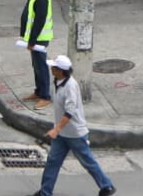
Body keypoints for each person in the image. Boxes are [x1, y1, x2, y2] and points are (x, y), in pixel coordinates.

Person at [31, 55, 117, 196]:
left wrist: (56, 129)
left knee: (87, 162)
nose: (51, 69)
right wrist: (58, 130)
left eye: (54, 67)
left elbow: (69, 112)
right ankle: (45, 192)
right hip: (61, 134)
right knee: (52, 161)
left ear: (60, 71)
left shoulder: (71, 86)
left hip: (74, 134)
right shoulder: (57, 82)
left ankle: (107, 186)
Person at [18, 0, 54, 111]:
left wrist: (32, 41)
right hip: (35, 38)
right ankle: (39, 91)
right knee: (37, 65)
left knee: (41, 66)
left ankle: (45, 96)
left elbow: (39, 20)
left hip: (40, 39)